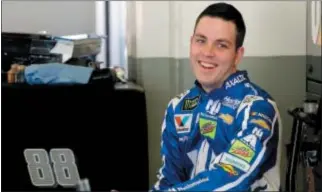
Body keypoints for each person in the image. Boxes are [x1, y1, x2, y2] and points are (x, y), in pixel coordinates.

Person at [151, 2, 282, 191]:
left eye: (221, 45)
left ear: (237, 55)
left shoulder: (257, 107)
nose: (207, 52)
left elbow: (231, 175)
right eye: (201, 40)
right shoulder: (178, 106)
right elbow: (168, 180)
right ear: (191, 43)